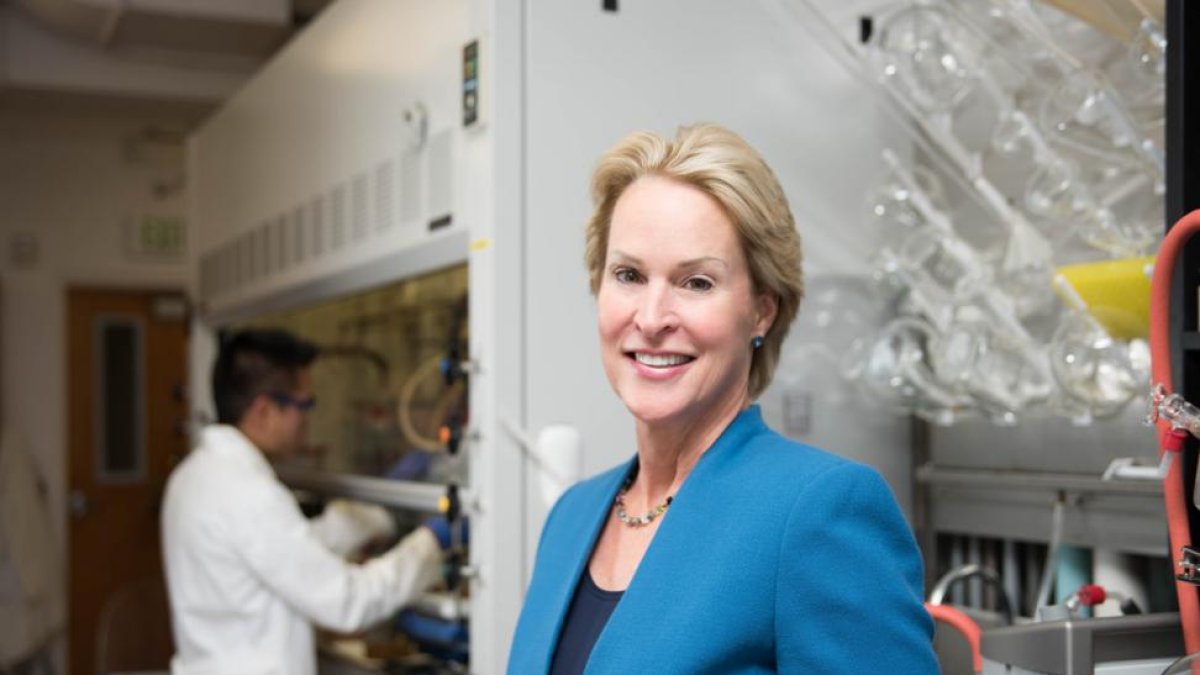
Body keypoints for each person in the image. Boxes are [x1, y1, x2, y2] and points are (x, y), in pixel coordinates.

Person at [508, 124, 937, 673]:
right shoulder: (572, 517)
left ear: (762, 310)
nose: (651, 318)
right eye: (629, 275)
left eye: (697, 283)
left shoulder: (820, 511)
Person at [162, 329, 450, 675]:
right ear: (265, 409)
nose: (307, 420)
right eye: (305, 405)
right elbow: (349, 602)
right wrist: (432, 542)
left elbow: (288, 546)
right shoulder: (248, 494)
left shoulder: (194, 475)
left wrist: (381, 516)